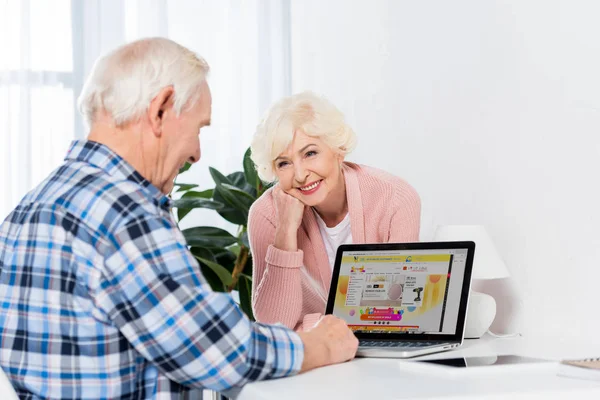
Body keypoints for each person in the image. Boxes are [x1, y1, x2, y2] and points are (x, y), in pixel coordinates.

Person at [0, 38, 358, 399]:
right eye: (199, 128)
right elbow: (214, 348)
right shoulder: (123, 212)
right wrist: (319, 346)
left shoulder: (28, 209)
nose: (197, 153)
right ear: (161, 109)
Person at [249, 91, 421, 331]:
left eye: (310, 153)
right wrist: (286, 231)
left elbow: (391, 313)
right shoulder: (266, 214)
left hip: (382, 358)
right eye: (284, 163)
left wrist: (314, 325)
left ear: (338, 150)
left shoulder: (395, 199)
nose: (299, 175)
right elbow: (273, 328)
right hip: (310, 362)